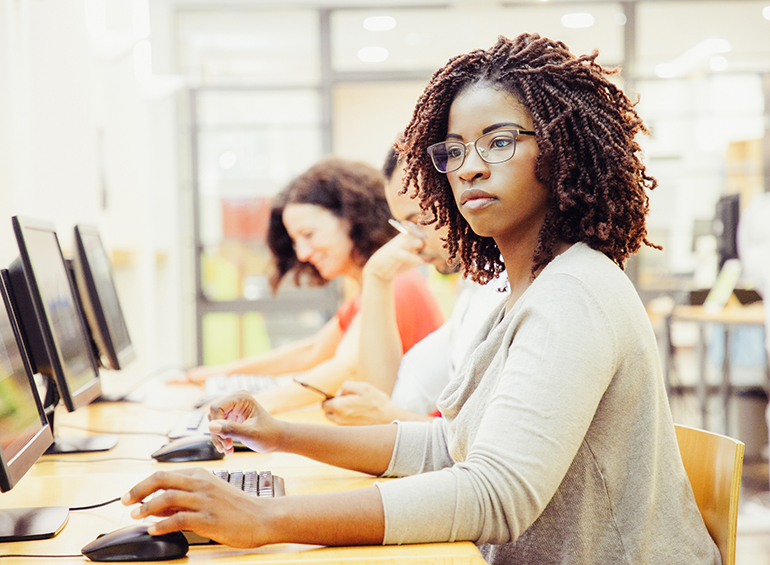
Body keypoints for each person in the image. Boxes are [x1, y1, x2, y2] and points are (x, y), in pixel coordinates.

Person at [122, 34, 720, 563]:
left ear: (563, 149)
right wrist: (280, 433)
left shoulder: (575, 295)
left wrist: (268, 519)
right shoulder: (524, 290)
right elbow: (448, 445)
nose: (470, 169)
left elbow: (494, 495)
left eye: (500, 141)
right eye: (454, 150)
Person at [186, 157, 444, 414]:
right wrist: (217, 374)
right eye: (296, 241)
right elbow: (311, 351)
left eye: (308, 235)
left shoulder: (395, 283)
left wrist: (245, 407)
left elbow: (346, 368)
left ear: (352, 218)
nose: (302, 254)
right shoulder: (368, 290)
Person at [323, 146, 506, 424]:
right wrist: (377, 276)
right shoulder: (475, 291)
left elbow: (493, 443)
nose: (414, 242)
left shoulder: (509, 289)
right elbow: (388, 397)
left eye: (417, 221)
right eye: (405, 227)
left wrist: (389, 415)